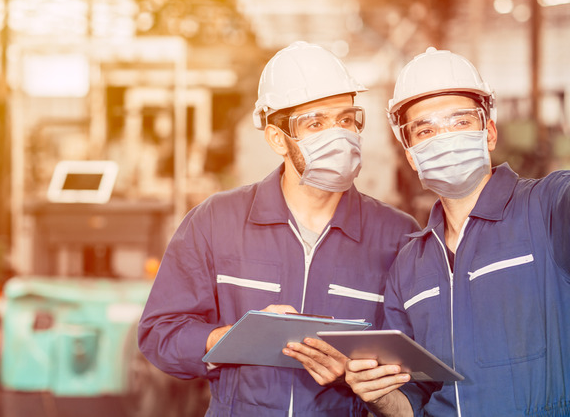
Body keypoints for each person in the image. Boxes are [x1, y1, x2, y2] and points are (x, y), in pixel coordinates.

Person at [343, 33, 570, 416]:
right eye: (425, 130)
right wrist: (379, 394)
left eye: (460, 121)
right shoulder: (410, 267)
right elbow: (413, 399)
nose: (444, 138)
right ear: (411, 155)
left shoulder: (547, 211)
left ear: (490, 132)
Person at [137, 41, 420, 416]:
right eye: (315, 123)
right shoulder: (215, 221)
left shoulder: (398, 236)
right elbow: (160, 332)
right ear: (276, 138)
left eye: (347, 119)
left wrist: (356, 374)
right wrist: (231, 339)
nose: (338, 135)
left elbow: (417, 365)